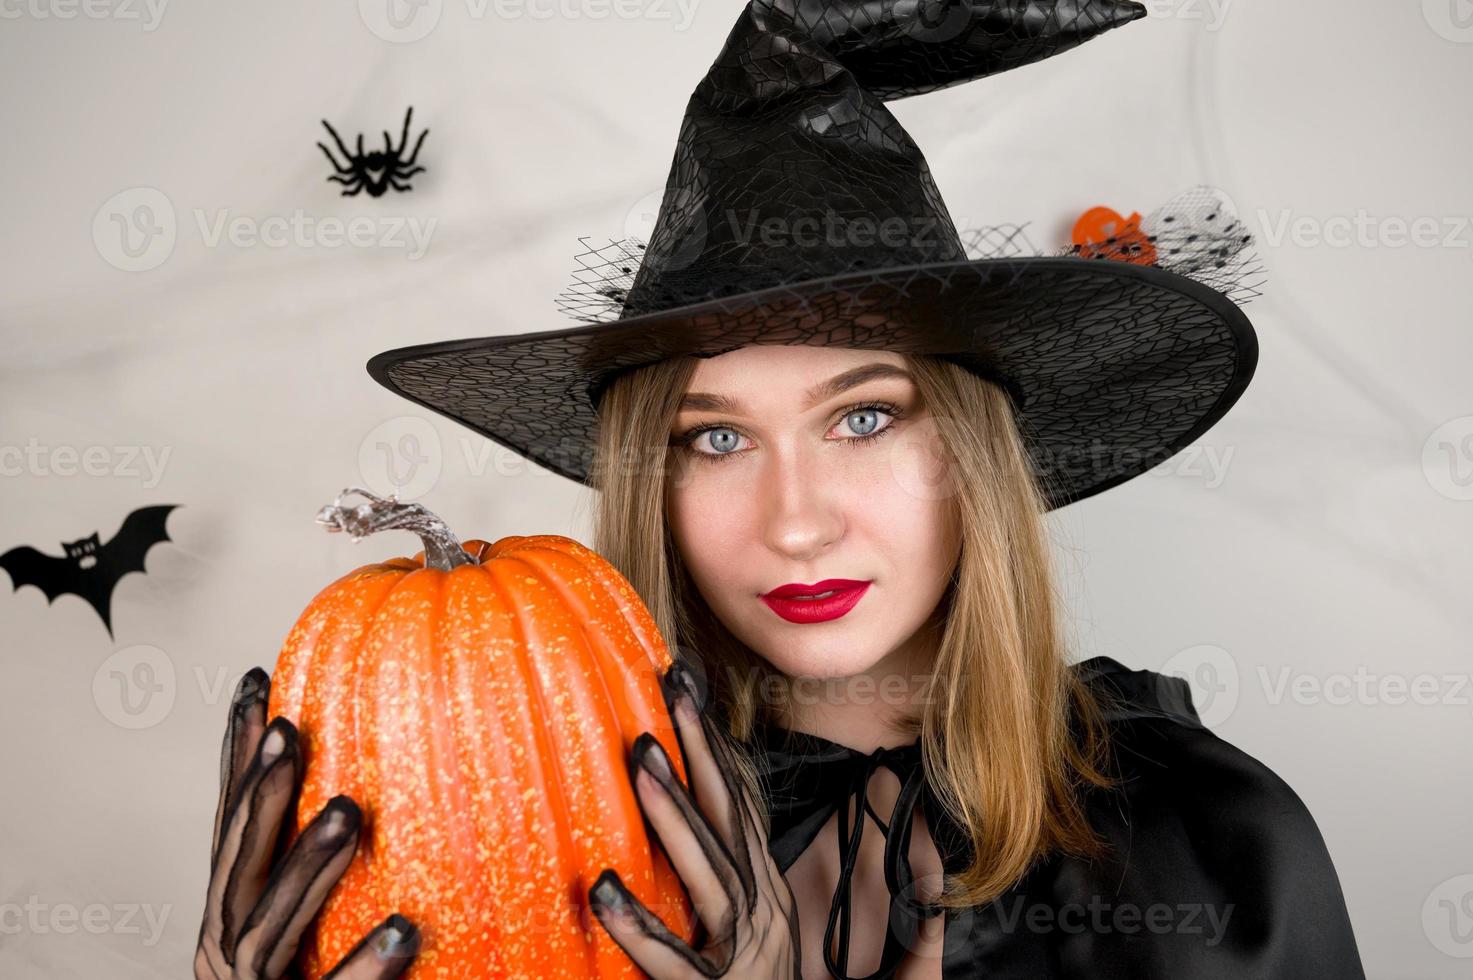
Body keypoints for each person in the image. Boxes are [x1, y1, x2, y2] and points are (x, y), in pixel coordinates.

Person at [195, 0, 1366, 976]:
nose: (797, 522)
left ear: (968, 454)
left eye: (863, 417)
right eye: (714, 441)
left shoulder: (1203, 843)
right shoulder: (513, 852)